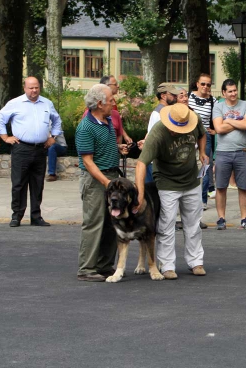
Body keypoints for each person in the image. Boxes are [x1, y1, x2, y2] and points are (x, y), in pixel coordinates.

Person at [134, 103, 208, 278]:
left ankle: (196, 262)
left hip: (191, 180)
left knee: (193, 224)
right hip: (167, 182)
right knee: (167, 225)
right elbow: (141, 163)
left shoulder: (194, 120)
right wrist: (140, 192)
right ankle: (167, 265)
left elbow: (203, 134)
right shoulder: (157, 133)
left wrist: (202, 152)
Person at [75, 84, 129, 282]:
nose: (114, 103)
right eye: (111, 100)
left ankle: (104, 265)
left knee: (110, 223)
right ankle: (87, 268)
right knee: (94, 222)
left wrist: (118, 148)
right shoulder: (85, 127)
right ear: (100, 103)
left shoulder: (105, 121)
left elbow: (102, 147)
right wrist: (107, 183)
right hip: (96, 180)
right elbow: (88, 161)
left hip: (110, 177)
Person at [0, 77, 63, 228]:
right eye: (31, 88)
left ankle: (36, 216)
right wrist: (5, 137)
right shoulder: (15, 103)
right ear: (25, 88)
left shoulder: (47, 103)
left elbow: (57, 120)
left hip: (40, 148)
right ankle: (16, 216)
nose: (34, 90)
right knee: (18, 183)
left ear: (40, 88)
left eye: (36, 87)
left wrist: (53, 137)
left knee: (38, 183)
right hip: (21, 148)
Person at [212, 79, 246, 230]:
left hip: (242, 152)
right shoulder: (218, 107)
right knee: (221, 187)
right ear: (224, 93)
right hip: (223, 152)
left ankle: (244, 218)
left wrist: (228, 120)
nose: (233, 93)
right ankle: (221, 218)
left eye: (235, 90)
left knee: (243, 187)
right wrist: (238, 121)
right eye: (230, 91)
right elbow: (219, 129)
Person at [189, 74, 217, 210]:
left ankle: (203, 200)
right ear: (197, 84)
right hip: (188, 134)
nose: (205, 87)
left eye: (208, 84)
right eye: (203, 84)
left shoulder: (213, 101)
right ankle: (188, 198)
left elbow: (220, 116)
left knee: (205, 167)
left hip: (205, 134)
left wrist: (216, 130)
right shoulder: (188, 97)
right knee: (188, 165)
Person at [99, 75, 133, 145]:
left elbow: (116, 123)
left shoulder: (112, 101)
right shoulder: (96, 104)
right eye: (115, 84)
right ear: (107, 86)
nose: (118, 86)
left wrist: (125, 136)